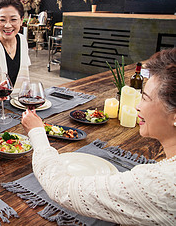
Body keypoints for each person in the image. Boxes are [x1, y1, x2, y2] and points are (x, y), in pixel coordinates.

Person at [21, 48, 176, 225]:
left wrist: (37, 132)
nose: (137, 106)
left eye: (145, 98)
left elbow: (61, 188)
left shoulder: (160, 184)